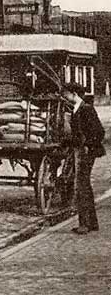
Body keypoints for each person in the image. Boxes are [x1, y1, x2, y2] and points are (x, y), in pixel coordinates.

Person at [62, 83, 106, 235]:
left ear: (74, 94)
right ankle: (92, 223)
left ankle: (84, 225)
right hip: (81, 151)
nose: (64, 97)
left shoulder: (86, 109)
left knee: (81, 186)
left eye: (66, 94)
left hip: (86, 153)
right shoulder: (76, 109)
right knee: (85, 186)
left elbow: (99, 131)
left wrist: (88, 145)